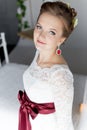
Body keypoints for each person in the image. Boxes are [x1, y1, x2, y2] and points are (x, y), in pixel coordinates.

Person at [18, 1, 78, 130]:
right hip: (30, 122)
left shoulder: (60, 76)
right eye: (39, 27)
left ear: (61, 39)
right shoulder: (39, 51)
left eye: (51, 32)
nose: (41, 35)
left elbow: (64, 125)